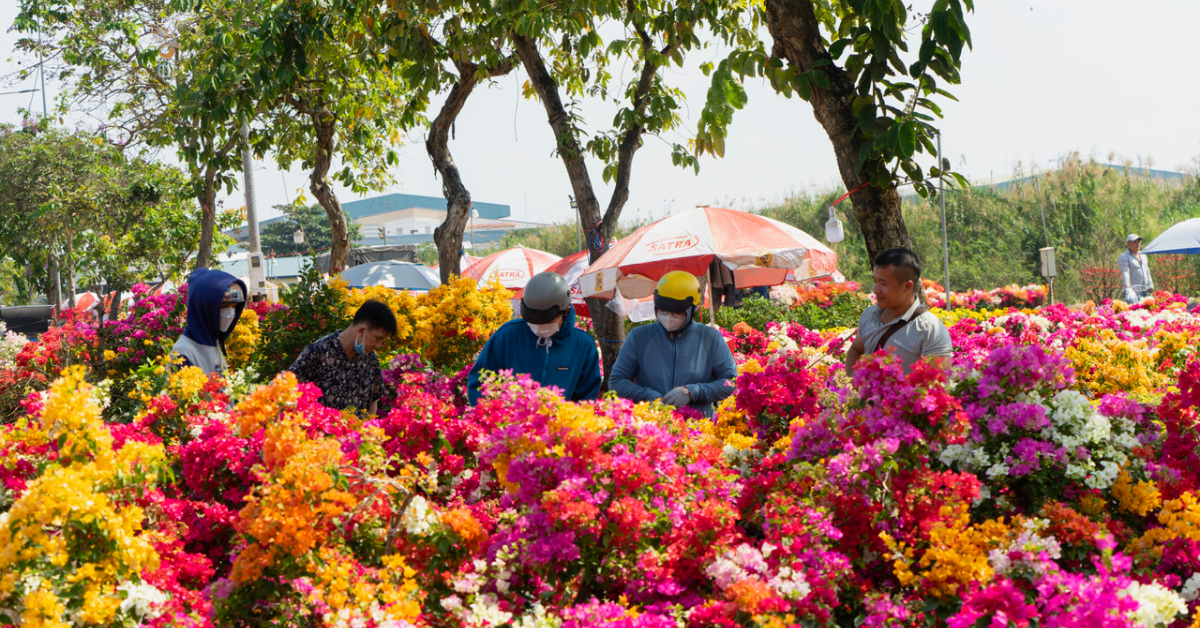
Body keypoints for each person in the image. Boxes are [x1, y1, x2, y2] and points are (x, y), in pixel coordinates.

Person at [610, 271, 737, 417]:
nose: (669, 318)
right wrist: (648, 396)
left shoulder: (710, 338)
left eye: (677, 314)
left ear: (692, 310)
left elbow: (731, 382)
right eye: (662, 311)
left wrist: (692, 392)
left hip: (698, 430)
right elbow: (617, 381)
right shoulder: (638, 337)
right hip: (653, 426)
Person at [467, 272, 601, 404]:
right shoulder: (507, 335)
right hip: (510, 422)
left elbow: (586, 398)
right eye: (532, 321)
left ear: (565, 311)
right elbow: (479, 382)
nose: (538, 326)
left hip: (558, 423)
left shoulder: (583, 345)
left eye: (546, 320)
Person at [845, 247, 952, 376]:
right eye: (875, 281)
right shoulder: (870, 315)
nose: (875, 289)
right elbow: (857, 349)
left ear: (907, 286)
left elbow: (938, 383)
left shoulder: (930, 330)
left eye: (883, 284)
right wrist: (853, 381)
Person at [288, 300, 397, 415]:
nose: (378, 345)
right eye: (378, 338)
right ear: (361, 330)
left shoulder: (371, 358)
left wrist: (369, 428)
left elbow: (374, 399)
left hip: (358, 432)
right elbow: (289, 389)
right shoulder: (318, 351)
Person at [171, 268, 247, 376]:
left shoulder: (214, 345)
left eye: (234, 306)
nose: (230, 313)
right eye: (224, 306)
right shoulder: (183, 352)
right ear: (204, 308)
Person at [1119, 233, 1155, 302]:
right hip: (1133, 291)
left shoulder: (1143, 255)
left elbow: (1147, 271)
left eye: (1138, 242)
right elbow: (1125, 272)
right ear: (1128, 244)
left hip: (1144, 290)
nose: (1137, 244)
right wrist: (1127, 287)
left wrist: (1151, 285)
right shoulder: (1124, 256)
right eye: (1134, 242)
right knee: (1134, 311)